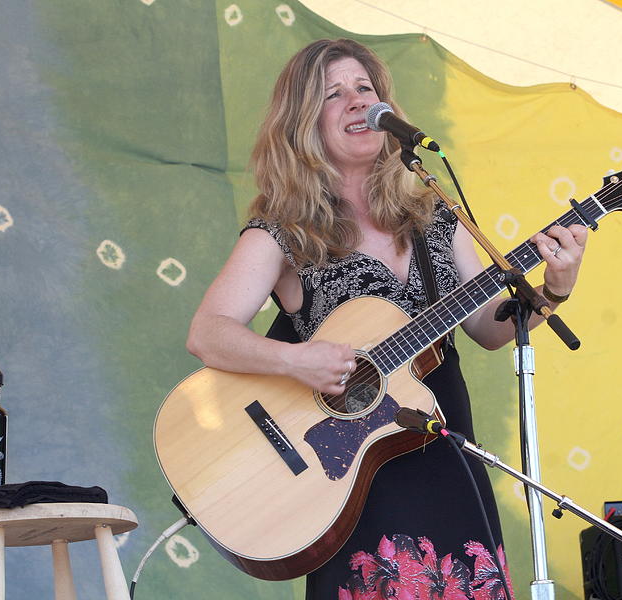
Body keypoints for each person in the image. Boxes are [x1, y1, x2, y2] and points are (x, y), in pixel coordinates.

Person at [186, 38, 588, 600]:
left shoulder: (436, 217)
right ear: (303, 123)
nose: (356, 102)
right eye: (334, 95)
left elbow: (489, 329)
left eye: (365, 89)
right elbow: (208, 333)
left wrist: (553, 289)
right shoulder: (284, 232)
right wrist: (295, 359)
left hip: (448, 459)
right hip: (351, 477)